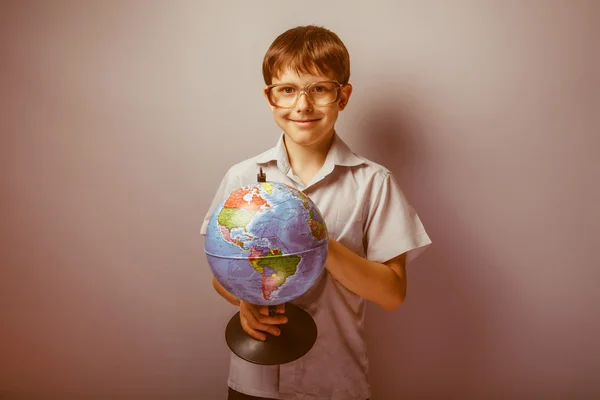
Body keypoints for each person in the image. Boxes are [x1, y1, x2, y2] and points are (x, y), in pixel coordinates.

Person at [200, 25, 432, 400]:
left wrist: (315, 242)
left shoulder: (373, 183)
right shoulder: (242, 177)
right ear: (270, 98)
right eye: (288, 90)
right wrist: (244, 301)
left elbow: (392, 293)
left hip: (334, 382)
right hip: (254, 382)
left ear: (343, 96)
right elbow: (222, 268)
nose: (302, 105)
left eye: (319, 89)